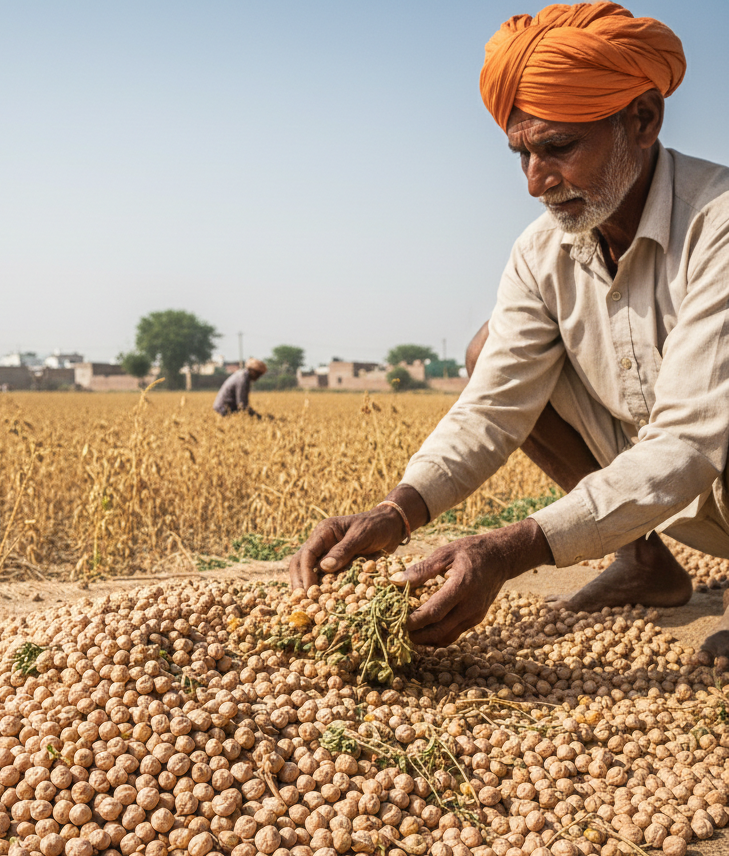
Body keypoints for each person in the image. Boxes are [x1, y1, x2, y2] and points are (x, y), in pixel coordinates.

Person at [290, 2, 729, 666]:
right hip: (672, 487)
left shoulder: (716, 225)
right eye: (522, 153)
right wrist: (397, 512)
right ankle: (640, 557)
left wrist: (508, 550)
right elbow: (495, 404)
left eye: (558, 148)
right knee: (485, 350)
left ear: (642, 120)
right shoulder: (541, 252)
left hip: (707, 467)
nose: (535, 182)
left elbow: (690, 443)